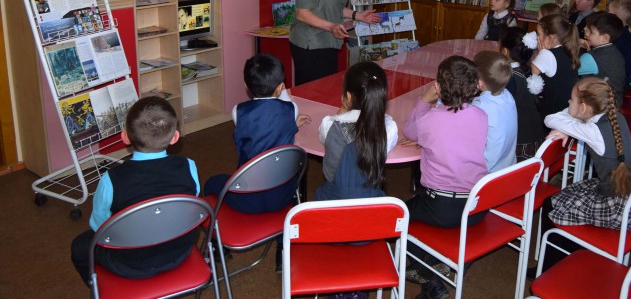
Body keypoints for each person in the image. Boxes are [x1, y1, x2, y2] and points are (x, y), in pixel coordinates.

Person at [70, 97, 200, 285]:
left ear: (125, 137)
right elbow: (190, 207)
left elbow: (99, 227)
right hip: (179, 251)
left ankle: (98, 287)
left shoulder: (111, 180)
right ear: (175, 137)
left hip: (129, 263)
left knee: (80, 246)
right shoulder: (189, 166)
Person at [534, 77, 631, 275]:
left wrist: (565, 126)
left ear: (583, 108)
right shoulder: (616, 117)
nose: (567, 102)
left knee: (552, 206)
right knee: (558, 198)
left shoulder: (592, 130)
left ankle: (551, 268)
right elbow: (567, 118)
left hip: (616, 206)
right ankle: (564, 258)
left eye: (571, 100)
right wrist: (570, 125)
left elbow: (550, 118)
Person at [402, 56, 488, 297]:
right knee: (418, 208)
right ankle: (437, 263)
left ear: (438, 88)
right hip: (476, 206)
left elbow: (409, 130)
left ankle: (426, 270)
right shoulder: (481, 117)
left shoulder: (429, 120)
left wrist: (423, 101)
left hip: (441, 208)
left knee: (398, 216)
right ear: (475, 87)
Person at [203, 54, 308, 214]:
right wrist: (292, 121)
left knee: (211, 183)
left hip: (248, 198)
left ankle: (220, 235)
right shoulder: (292, 110)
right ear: (280, 87)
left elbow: (262, 124)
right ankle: (282, 235)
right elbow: (284, 108)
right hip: (282, 195)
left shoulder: (238, 111)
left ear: (246, 85)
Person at [315, 62, 398, 200]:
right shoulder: (389, 128)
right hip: (370, 208)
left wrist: (341, 114)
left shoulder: (329, 125)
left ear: (348, 97)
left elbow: (324, 138)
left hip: (331, 206)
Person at [499, 27, 545, 160]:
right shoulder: (528, 71)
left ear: (505, 51)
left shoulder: (510, 79)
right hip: (536, 144)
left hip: (521, 149)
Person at [473, 50, 518, 172]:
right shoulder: (508, 96)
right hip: (508, 168)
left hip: (487, 173)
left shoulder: (480, 105)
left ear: (479, 83)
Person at [530, 14, 581, 118]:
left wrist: (541, 53)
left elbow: (529, 78)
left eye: (539, 34)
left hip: (549, 113)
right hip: (563, 109)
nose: (537, 37)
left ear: (550, 38)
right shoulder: (569, 49)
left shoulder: (547, 54)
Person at [583, 12, 626, 106]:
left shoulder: (591, 58)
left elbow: (566, 70)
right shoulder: (614, 51)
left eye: (590, 31)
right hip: (615, 101)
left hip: (599, 106)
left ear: (605, 37)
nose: (585, 31)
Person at [606, 0, 631, 85]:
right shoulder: (626, 35)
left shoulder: (618, 37)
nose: (606, 13)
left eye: (608, 11)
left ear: (616, 15)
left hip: (616, 80)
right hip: (622, 77)